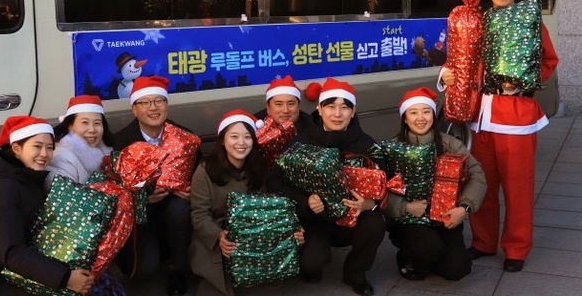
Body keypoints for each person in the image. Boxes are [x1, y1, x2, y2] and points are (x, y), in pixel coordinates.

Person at [439, 0, 559, 272]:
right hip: (479, 117)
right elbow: (458, 58)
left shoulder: (529, 22)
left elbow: (549, 60)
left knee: (518, 188)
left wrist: (522, 83)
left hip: (516, 119)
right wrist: (446, 76)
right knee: (481, 182)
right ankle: (483, 241)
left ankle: (517, 248)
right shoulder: (475, 20)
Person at [0, 116, 94, 296]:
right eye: (37, 146)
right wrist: (66, 278)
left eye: (50, 148)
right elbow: (12, 252)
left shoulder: (27, 181)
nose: (44, 154)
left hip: (19, 279)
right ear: (17, 148)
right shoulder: (0, 189)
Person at [277, 77, 386, 296]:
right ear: (319, 109)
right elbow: (278, 181)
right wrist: (306, 201)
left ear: (353, 112)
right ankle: (314, 261)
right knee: (311, 265)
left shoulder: (367, 145)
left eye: (344, 107)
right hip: (315, 221)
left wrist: (370, 203)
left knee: (375, 223)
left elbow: (385, 181)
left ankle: (356, 273)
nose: (337, 114)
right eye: (331, 106)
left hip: (354, 218)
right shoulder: (301, 143)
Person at [189, 110, 304, 296]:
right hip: (218, 231)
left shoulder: (259, 166)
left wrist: (291, 229)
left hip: (253, 232)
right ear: (223, 140)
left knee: (263, 284)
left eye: (247, 137)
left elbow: (268, 210)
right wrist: (219, 236)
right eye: (234, 136)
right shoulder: (205, 169)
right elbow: (199, 214)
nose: (241, 143)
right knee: (216, 287)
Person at [384, 87, 486, 281]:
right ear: (404, 118)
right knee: (429, 250)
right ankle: (409, 256)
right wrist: (405, 207)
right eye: (413, 113)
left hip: (444, 217)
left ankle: (429, 256)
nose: (420, 118)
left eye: (426, 111)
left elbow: (477, 174)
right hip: (409, 219)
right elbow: (379, 189)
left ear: (433, 115)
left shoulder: (450, 144)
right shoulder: (392, 148)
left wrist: (463, 208)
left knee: (457, 270)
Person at [113, 76, 200, 295]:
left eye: (159, 101)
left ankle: (178, 268)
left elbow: (200, 173)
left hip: (176, 209)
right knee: (144, 269)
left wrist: (191, 191)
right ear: (134, 109)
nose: (153, 108)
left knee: (179, 210)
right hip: (141, 215)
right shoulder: (120, 142)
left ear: (166, 105)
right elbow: (115, 191)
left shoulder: (185, 137)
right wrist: (143, 199)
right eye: (145, 102)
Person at [46, 95, 113, 188]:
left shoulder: (107, 154)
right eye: (85, 122)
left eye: (97, 123)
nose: (92, 130)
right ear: (70, 125)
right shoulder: (62, 157)